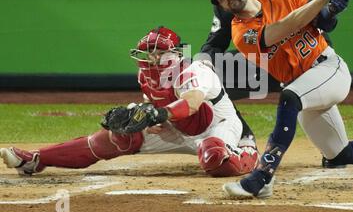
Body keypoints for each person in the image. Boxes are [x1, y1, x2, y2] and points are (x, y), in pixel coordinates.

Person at [205, 0, 353, 198]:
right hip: (303, 85)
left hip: (328, 69)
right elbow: (283, 28)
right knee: (339, 154)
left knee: (289, 97)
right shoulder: (240, 33)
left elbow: (324, 23)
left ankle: (262, 177)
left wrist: (333, 8)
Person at [0, 26, 258, 178]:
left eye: (160, 52)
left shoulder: (194, 69)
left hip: (217, 127)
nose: (153, 58)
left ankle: (246, 153)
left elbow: (191, 103)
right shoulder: (144, 75)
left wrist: (159, 115)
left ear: (176, 54)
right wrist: (151, 118)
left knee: (213, 155)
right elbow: (156, 107)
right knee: (116, 137)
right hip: (177, 130)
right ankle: (36, 159)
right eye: (149, 53)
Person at [199, 0, 341, 169]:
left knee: (311, 105)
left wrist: (329, 11)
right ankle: (244, 141)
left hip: (298, 62)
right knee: (208, 82)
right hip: (259, 67)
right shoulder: (227, 7)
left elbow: (322, 26)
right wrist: (201, 67)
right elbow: (214, 43)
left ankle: (334, 149)